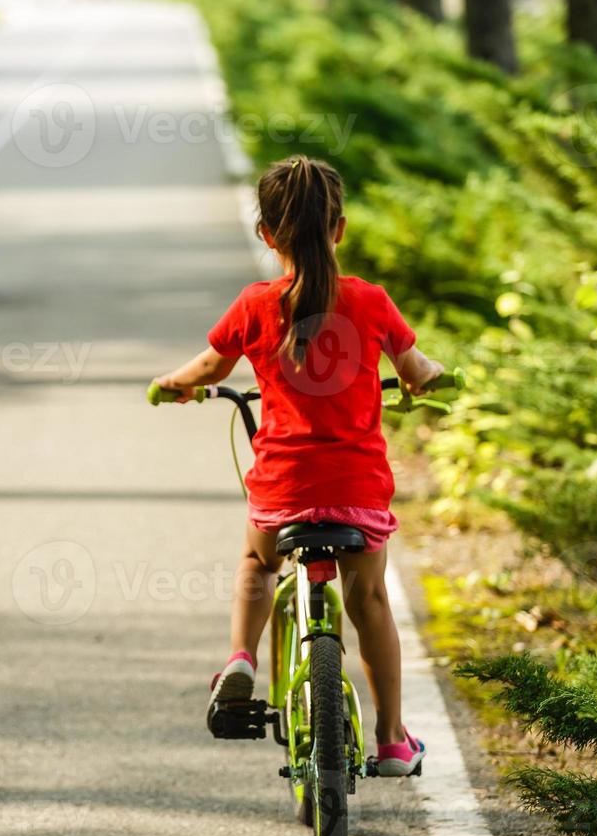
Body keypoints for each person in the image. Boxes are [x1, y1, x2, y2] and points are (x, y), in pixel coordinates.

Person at [151, 156, 445, 778]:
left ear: (267, 235)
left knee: (258, 562)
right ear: (338, 229)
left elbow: (208, 370)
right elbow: (419, 373)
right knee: (369, 599)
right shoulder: (370, 301)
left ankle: (240, 658)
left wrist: (171, 384)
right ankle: (392, 740)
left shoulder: (256, 305)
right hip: (358, 489)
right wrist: (432, 381)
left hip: (284, 489)